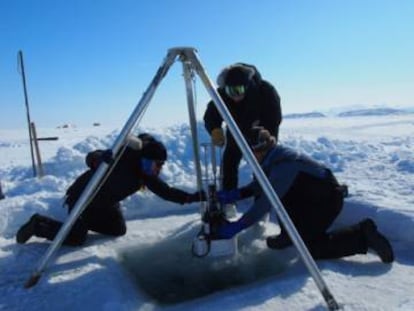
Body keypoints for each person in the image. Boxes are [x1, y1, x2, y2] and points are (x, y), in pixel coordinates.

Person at [213, 127, 394, 263]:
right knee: (284, 200)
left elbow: (265, 202)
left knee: (310, 249)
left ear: (260, 149)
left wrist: (238, 226)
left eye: (250, 153)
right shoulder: (273, 157)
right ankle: (288, 236)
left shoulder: (283, 166)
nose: (248, 158)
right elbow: (262, 184)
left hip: (326, 201)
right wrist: (236, 194)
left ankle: (363, 234)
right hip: (310, 199)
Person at [16, 133, 205, 246]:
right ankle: (38, 224)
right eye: (150, 164)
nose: (153, 169)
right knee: (77, 238)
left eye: (158, 165)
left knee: (118, 230)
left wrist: (195, 197)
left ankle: (82, 223)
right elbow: (92, 156)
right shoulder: (123, 157)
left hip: (106, 203)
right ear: (141, 158)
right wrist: (99, 159)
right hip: (83, 197)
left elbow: (167, 192)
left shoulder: (146, 174)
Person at [203, 63, 282, 217]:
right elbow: (211, 113)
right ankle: (229, 202)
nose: (235, 95)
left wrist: (266, 137)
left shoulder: (265, 91)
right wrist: (215, 129)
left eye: (239, 90)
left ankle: (261, 207)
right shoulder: (223, 93)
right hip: (236, 131)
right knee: (229, 163)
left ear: (247, 86)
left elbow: (274, 118)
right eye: (231, 91)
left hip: (261, 131)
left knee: (262, 168)